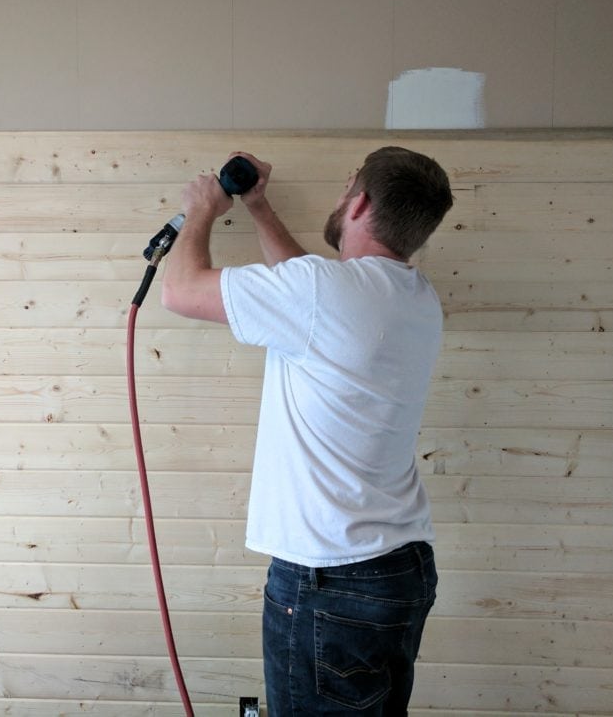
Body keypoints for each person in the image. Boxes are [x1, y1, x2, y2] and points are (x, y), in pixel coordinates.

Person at [161, 147, 453, 715]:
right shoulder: (415, 298)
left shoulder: (322, 293)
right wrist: (260, 209)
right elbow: (312, 293)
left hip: (330, 581)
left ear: (360, 201)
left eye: (347, 187)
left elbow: (180, 289)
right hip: (398, 572)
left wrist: (201, 210)